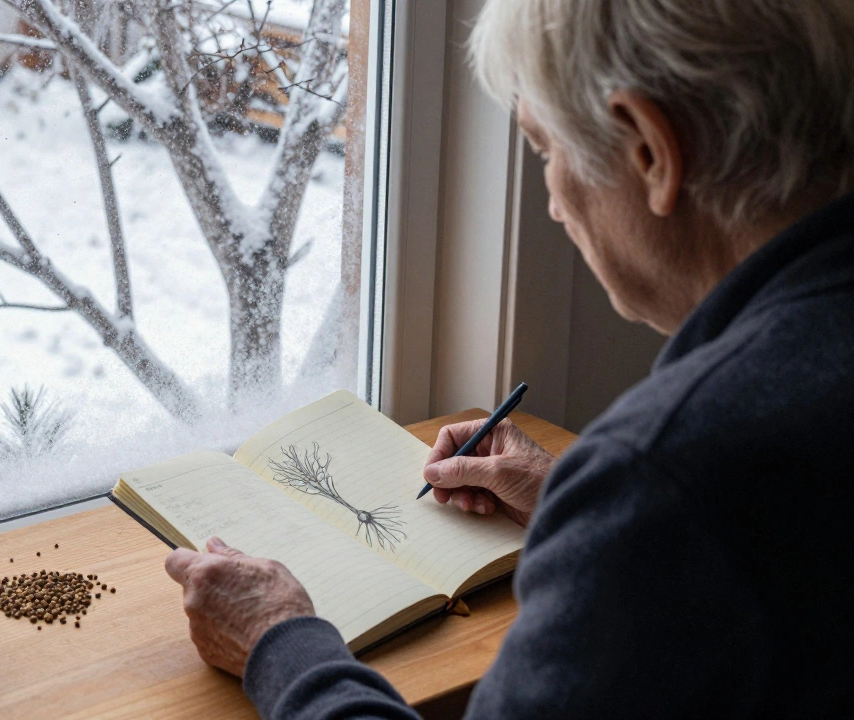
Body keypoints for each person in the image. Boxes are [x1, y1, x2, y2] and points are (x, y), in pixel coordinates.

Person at [163, 0, 854, 717]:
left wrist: (281, 643)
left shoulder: (671, 476)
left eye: (545, 150)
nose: (553, 203)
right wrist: (578, 506)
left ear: (650, 150)